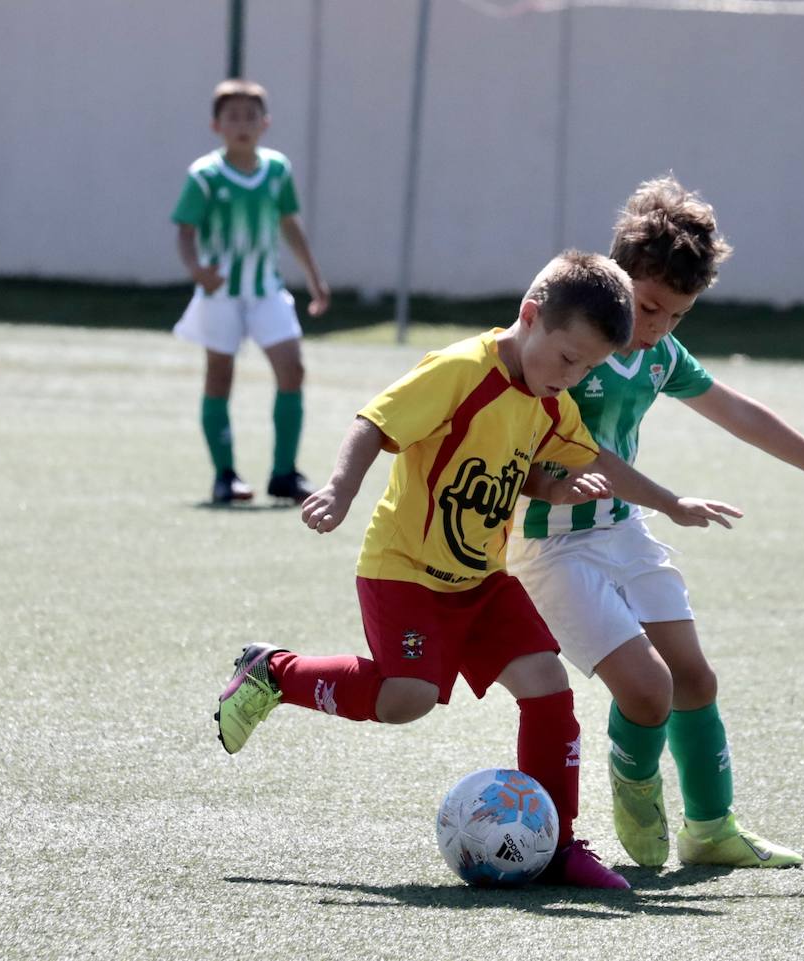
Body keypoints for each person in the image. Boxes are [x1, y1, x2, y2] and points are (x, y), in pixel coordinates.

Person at [212, 251, 737, 889]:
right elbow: (375, 423)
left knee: (548, 687)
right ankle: (273, 671)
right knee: (407, 700)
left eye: (590, 368)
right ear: (530, 316)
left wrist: (561, 490)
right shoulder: (461, 369)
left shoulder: (550, 402)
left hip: (482, 580)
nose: (573, 378)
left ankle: (558, 846)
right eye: (569, 359)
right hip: (405, 571)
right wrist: (340, 489)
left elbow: (560, 464)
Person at [509, 176, 804, 871]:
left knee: (695, 680)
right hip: (548, 543)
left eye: (675, 317)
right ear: (614, 276)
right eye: (648, 307)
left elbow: (737, 410)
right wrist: (670, 501)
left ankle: (711, 829)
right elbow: (583, 453)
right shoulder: (567, 348)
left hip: (617, 529)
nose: (653, 328)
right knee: (648, 690)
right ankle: (635, 781)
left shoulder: (657, 353)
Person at [171, 79, 330, 506]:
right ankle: (225, 476)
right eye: (232, 117)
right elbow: (185, 232)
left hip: (266, 291)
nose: (242, 124)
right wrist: (195, 269)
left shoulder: (277, 170)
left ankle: (283, 473)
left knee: (292, 370)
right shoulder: (204, 176)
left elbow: (289, 224)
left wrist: (313, 276)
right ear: (216, 125)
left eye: (250, 116)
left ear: (265, 123)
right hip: (221, 293)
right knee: (220, 375)